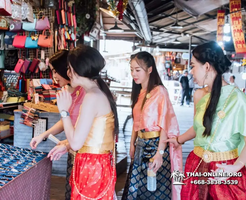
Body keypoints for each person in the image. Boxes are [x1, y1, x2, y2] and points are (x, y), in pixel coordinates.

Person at [165, 41, 246, 199]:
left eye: (194, 66)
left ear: (207, 66)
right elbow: (199, 128)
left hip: (224, 171)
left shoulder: (238, 99)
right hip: (196, 164)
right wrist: (178, 140)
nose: (191, 71)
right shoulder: (199, 95)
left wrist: (237, 166)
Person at [47, 45, 118, 199]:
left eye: (69, 68)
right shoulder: (93, 93)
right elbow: (87, 135)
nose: (67, 73)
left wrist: (64, 112)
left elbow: (76, 143)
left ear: (78, 69)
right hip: (94, 164)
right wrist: (65, 145)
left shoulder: (92, 96)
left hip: (93, 167)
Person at [122, 51, 182, 200]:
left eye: (137, 70)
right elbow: (136, 122)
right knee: (135, 189)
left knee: (154, 190)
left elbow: (165, 125)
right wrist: (132, 144)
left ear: (149, 70)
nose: (133, 74)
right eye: (131, 70)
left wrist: (160, 154)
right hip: (140, 146)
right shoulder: (139, 92)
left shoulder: (160, 92)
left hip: (156, 147)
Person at [29, 50, 85, 200]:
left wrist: (67, 144)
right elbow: (65, 120)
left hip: (85, 152)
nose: (53, 76)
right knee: (72, 190)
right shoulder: (66, 90)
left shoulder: (85, 92)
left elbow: (87, 129)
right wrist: (43, 135)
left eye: (55, 71)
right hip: (73, 149)